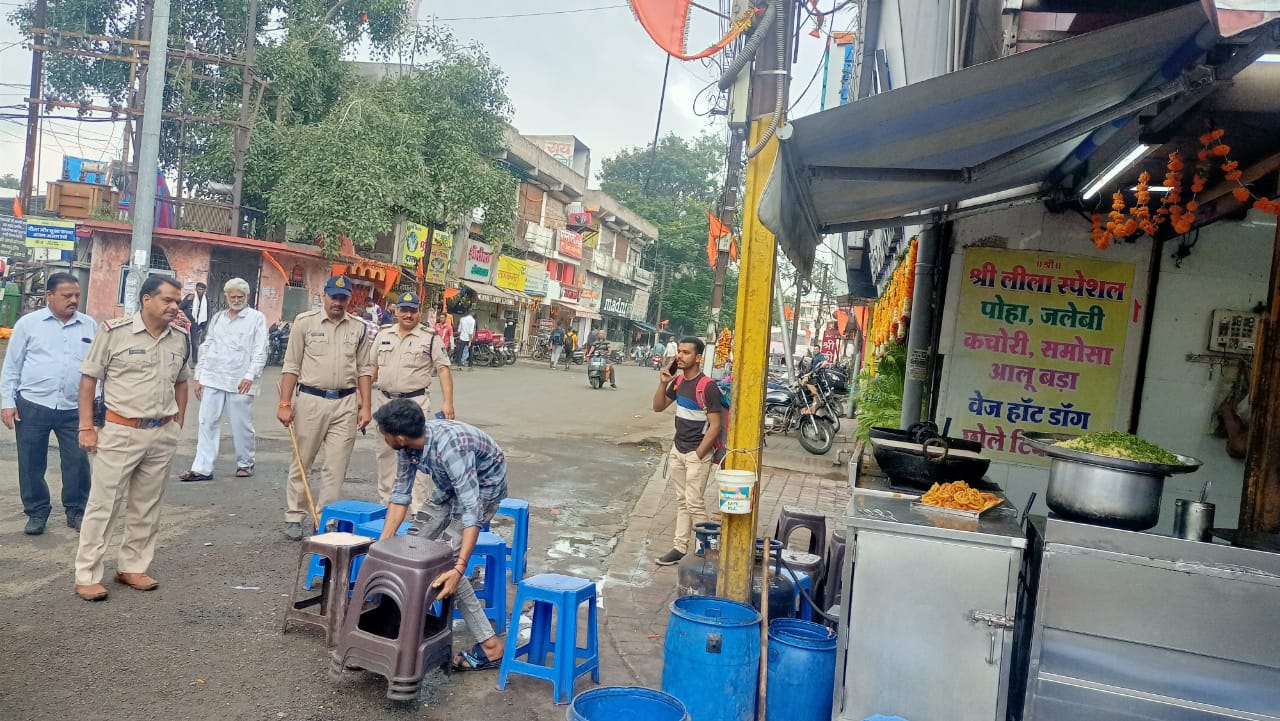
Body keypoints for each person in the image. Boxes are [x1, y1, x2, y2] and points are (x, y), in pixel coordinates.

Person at [73, 275, 191, 601]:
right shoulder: (114, 332)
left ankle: (132, 566)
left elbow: (182, 380)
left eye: (177, 301)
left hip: (161, 432)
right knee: (104, 506)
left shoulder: (180, 338)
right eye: (167, 300)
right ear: (146, 300)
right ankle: (87, 574)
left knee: (147, 506)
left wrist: (178, 421)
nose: (174, 307)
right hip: (121, 430)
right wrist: (86, 426)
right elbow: (89, 380)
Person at [372, 398, 508, 671]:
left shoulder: (450, 449)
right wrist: (382, 549)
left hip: (482, 494)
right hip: (447, 490)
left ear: (397, 436)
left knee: (443, 565)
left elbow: (472, 513)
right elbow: (400, 497)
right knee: (409, 549)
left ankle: (491, 646)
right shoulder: (406, 446)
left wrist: (458, 567)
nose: (383, 437)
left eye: (384, 433)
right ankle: (395, 622)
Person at [276, 276, 374, 541]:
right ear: (324, 296)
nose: (338, 302)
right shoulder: (304, 323)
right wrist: (285, 403)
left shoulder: (358, 328)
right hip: (310, 400)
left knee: (336, 465)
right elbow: (291, 365)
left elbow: (365, 369)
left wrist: (366, 406)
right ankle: (294, 515)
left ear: (349, 299)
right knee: (302, 460)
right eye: (334, 297)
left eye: (343, 298)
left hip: (346, 403)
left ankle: (326, 519)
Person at [0, 272, 95, 535]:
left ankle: (76, 510)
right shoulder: (28, 325)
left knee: (77, 461)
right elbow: (12, 367)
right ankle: (37, 511)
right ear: (49, 296)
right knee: (31, 461)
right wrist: (7, 402)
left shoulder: (89, 326)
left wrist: (98, 404)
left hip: (74, 408)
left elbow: (98, 369)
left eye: (76, 295)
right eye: (66, 296)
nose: (73, 300)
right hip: (33, 405)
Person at [372, 292, 455, 515]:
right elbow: (371, 369)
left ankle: (419, 516)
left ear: (419, 312)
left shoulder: (430, 338)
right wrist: (361, 401)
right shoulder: (383, 335)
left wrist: (448, 403)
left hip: (415, 403)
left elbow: (443, 369)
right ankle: (386, 512)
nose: (408, 314)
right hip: (386, 403)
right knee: (386, 459)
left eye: (412, 310)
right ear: (396, 311)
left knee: (420, 461)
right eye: (403, 310)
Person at [179, 278, 267, 482]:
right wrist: (199, 376)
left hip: (240, 380)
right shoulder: (218, 317)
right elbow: (206, 346)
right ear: (226, 296)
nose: (236, 300)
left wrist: (250, 375)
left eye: (240, 297)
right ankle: (202, 468)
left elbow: (260, 350)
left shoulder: (256, 318)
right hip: (212, 377)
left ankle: (245, 463)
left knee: (241, 424)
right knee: (206, 421)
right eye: (233, 296)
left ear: (247, 297)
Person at [652, 336, 722, 566]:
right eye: (679, 352)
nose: (680, 356)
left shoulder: (707, 387)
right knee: (682, 501)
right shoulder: (679, 382)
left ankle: (708, 551)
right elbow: (658, 407)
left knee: (694, 502)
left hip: (695, 454)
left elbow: (715, 425)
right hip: (678, 450)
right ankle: (680, 547)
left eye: (686, 353)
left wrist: (699, 453)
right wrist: (663, 383)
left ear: (698, 357)